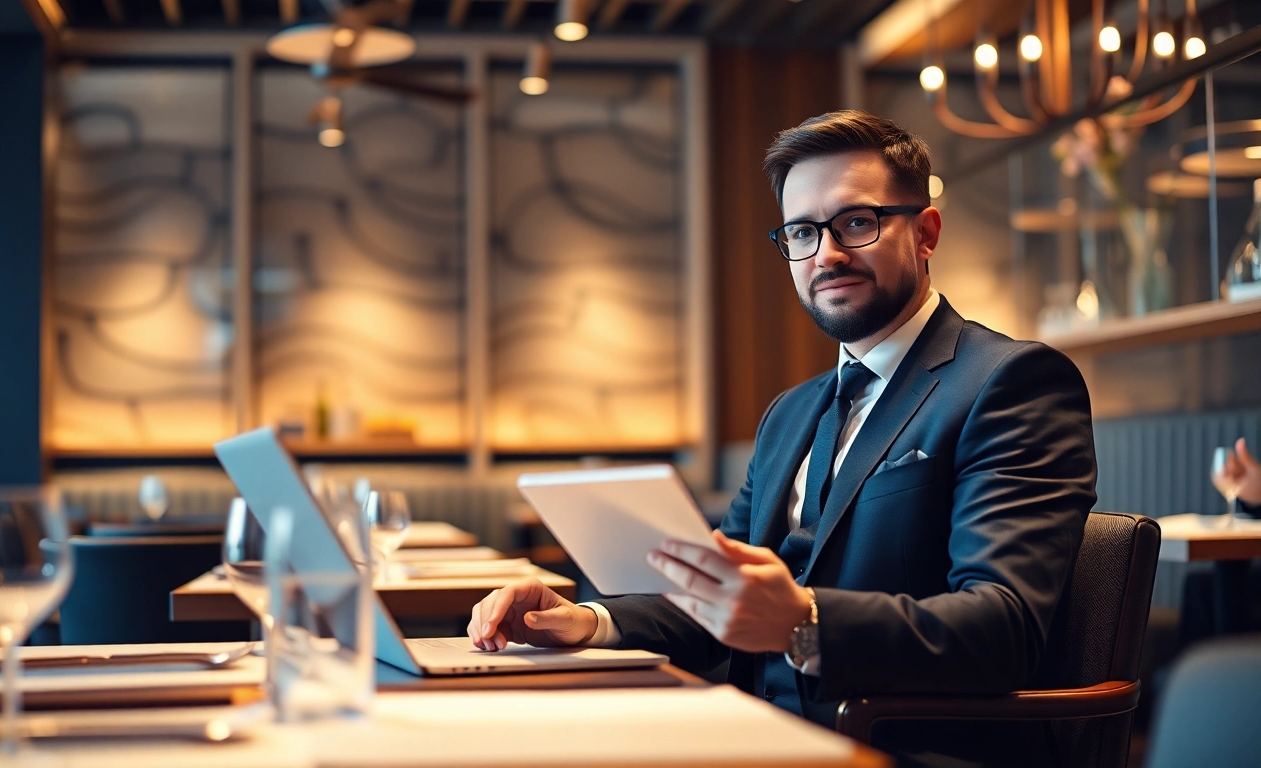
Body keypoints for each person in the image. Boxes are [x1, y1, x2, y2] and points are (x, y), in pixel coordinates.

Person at [467, 110, 1097, 766]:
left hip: (894, 747)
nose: (827, 253)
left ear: (926, 232)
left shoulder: (1011, 382)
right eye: (803, 231)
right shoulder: (790, 414)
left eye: (857, 222)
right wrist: (587, 621)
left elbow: (1003, 631)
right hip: (749, 736)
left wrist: (805, 623)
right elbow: (718, 597)